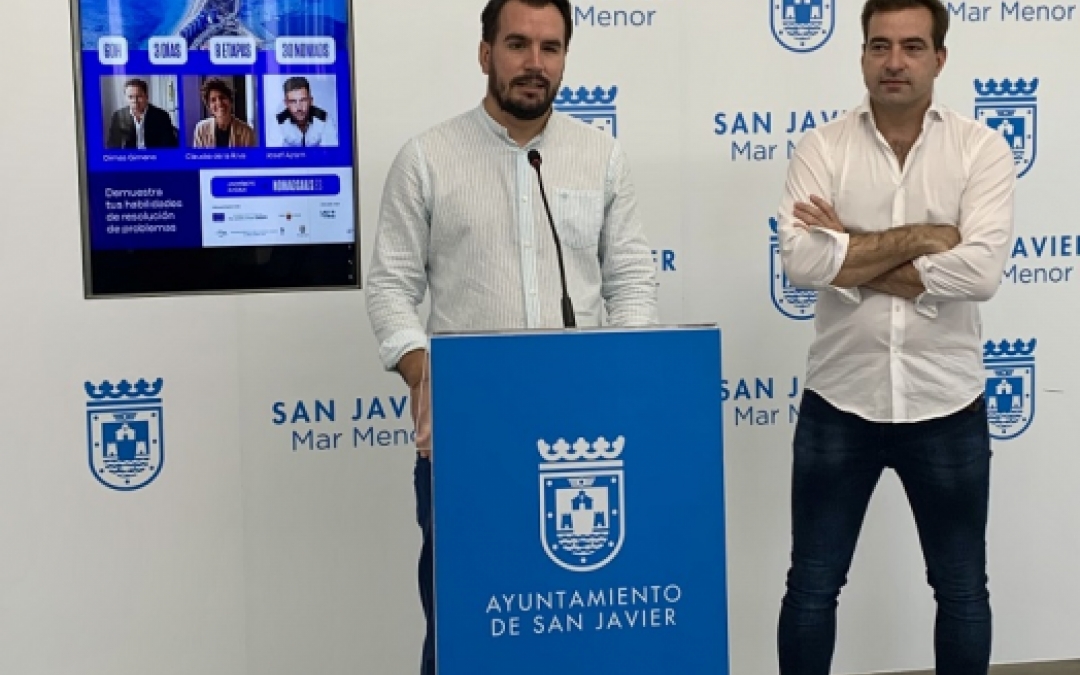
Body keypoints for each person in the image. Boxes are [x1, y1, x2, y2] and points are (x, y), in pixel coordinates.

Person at [365, 1, 658, 672]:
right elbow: (390, 287)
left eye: (550, 48)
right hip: (469, 436)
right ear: (485, 53)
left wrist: (624, 370)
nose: (534, 63)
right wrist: (422, 371)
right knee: (465, 629)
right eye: (518, 44)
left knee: (574, 627)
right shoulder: (427, 158)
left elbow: (633, 281)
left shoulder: (600, 156)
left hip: (581, 439)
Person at [774, 1, 1015, 673]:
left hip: (947, 404)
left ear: (939, 58)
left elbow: (979, 271)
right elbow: (802, 262)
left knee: (962, 591)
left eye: (911, 46)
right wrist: (928, 238)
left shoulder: (980, 149)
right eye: (879, 46)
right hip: (840, 400)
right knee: (811, 587)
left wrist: (850, 250)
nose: (894, 62)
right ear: (862, 56)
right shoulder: (822, 147)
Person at [105, 78, 179, 149]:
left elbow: (168, 146)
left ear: (146, 97)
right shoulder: (118, 116)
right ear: (125, 98)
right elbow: (112, 144)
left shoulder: (162, 116)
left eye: (139, 96)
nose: (135, 101)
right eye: (130, 97)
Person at [274, 76, 338, 147]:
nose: (299, 108)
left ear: (311, 101)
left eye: (303, 100)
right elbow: (274, 152)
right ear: (286, 103)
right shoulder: (277, 122)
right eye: (293, 101)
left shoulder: (324, 119)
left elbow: (331, 151)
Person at [192, 78, 257, 148]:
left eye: (222, 97)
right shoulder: (201, 129)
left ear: (230, 101)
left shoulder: (246, 132)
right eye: (213, 100)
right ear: (209, 107)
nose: (219, 103)